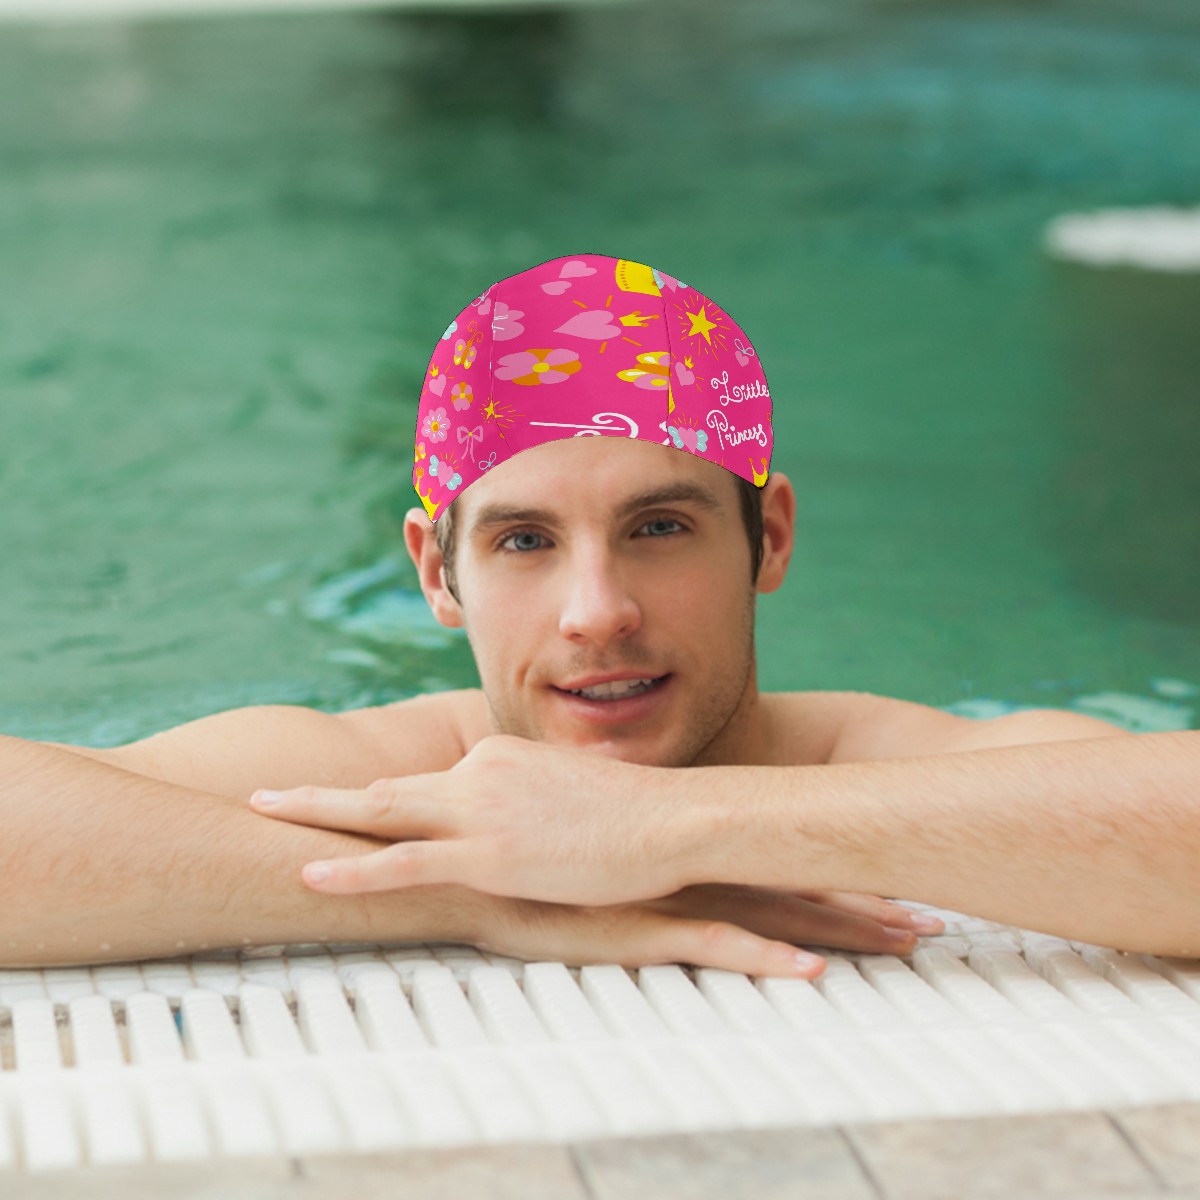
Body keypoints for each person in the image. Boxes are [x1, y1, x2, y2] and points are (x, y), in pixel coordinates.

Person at [3, 255, 1193, 977]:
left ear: (770, 538)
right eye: (523, 541)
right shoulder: (385, 780)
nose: (596, 613)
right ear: (437, 573)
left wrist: (674, 830)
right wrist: (481, 891)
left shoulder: (897, 762)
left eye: (659, 527)